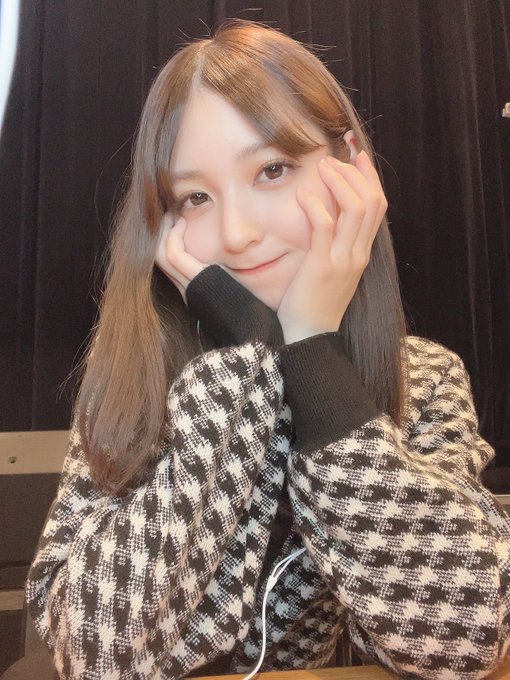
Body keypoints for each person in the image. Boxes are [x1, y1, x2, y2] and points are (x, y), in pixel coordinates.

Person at [25, 19, 510, 680]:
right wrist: (244, 368)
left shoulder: (424, 377)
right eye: (196, 196)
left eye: (272, 170)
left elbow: (463, 641)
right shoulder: (134, 379)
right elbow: (93, 651)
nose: (236, 234)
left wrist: (310, 354)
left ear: (352, 170)